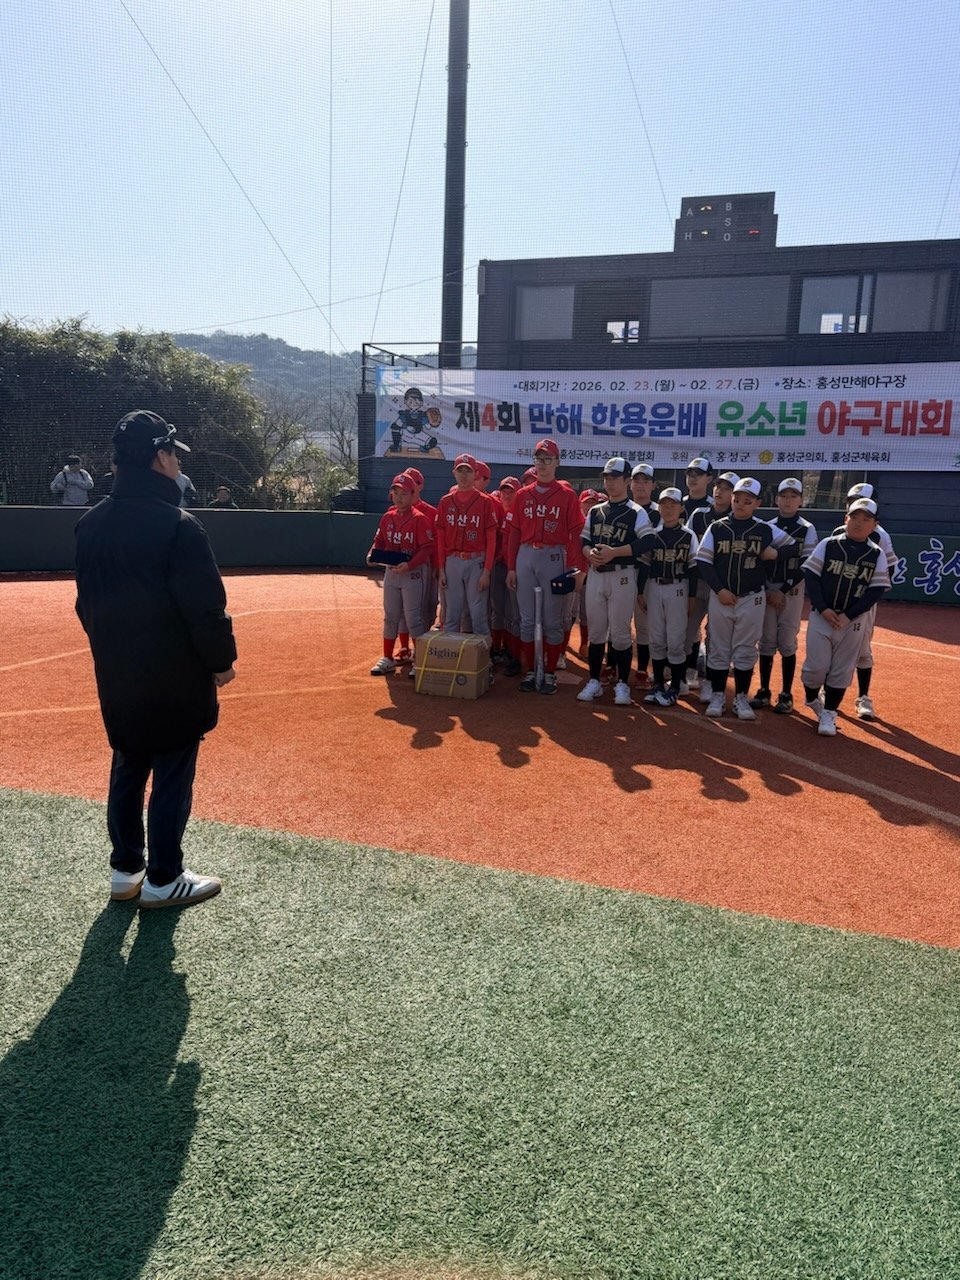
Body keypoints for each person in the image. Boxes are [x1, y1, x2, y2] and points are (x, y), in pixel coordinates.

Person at [74, 409, 236, 909]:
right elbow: (205, 609)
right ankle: (165, 877)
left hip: (117, 670)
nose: (177, 464)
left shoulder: (89, 524)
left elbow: (85, 605)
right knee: (172, 768)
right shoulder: (179, 526)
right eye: (173, 454)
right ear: (161, 456)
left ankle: (125, 871)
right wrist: (221, 662)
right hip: (174, 675)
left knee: (128, 762)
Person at [695, 477, 789, 720]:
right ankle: (717, 696)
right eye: (737, 499)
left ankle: (740, 698)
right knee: (718, 647)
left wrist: (774, 553)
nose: (740, 504)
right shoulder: (717, 527)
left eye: (747, 501)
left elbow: (792, 548)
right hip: (722, 596)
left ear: (757, 503)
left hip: (752, 597)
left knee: (746, 649)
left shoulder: (764, 529)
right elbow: (703, 561)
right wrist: (719, 590)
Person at [801, 498, 892, 736]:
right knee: (815, 669)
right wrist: (823, 608)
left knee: (841, 670)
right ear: (845, 519)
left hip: (853, 622)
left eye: (866, 519)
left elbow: (876, 590)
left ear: (875, 525)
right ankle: (812, 698)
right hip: (822, 616)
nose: (859, 523)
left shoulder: (876, 553)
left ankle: (829, 712)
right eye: (854, 517)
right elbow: (811, 576)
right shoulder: (829, 545)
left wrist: (849, 615)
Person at [504, 439, 585, 695]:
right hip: (526, 555)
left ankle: (549, 672)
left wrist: (575, 566)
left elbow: (577, 532)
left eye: (547, 458)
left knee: (552, 619)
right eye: (539, 458)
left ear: (557, 462)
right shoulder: (522, 495)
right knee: (527, 619)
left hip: (553, 556)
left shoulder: (567, 495)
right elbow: (514, 532)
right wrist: (511, 567)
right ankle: (531, 670)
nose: (542, 463)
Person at [576, 458, 653, 707]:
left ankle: (622, 683)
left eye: (615, 477)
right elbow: (584, 541)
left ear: (627, 480)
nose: (610, 482)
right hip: (597, 574)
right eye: (607, 477)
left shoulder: (636, 511)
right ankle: (594, 680)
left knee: (620, 633)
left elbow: (647, 542)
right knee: (597, 631)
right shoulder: (596, 511)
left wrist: (615, 552)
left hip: (623, 575)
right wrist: (589, 554)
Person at [750, 478, 819, 714]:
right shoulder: (767, 526)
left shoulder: (807, 528)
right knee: (766, 640)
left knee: (787, 641)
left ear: (800, 500)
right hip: (768, 588)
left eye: (793, 496)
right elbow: (759, 561)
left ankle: (786, 694)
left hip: (792, 589)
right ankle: (764, 691)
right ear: (777, 499)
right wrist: (769, 589)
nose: (788, 500)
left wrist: (782, 590)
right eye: (784, 496)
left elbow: (807, 564)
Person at [835, 482, 898, 720]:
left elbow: (888, 570)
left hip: (863, 603)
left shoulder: (880, 536)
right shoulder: (839, 530)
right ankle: (826, 691)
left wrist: (866, 598)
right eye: (851, 501)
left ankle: (863, 697)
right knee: (833, 645)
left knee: (862, 650)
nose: (855, 504)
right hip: (837, 599)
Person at [366, 473, 435, 676]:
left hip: (413, 573)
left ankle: (419, 660)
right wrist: (372, 554)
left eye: (404, 493)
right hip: (392, 572)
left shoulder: (420, 519)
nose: (399, 497)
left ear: (413, 495)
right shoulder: (388, 517)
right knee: (390, 616)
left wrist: (410, 564)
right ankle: (388, 658)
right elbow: (379, 542)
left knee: (413, 617)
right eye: (396, 493)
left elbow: (427, 548)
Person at [638, 488, 699, 707]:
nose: (668, 508)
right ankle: (658, 685)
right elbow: (644, 565)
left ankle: (676, 686)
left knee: (675, 640)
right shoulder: (652, 535)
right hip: (654, 587)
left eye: (673, 504)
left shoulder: (688, 535)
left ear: (681, 508)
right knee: (656, 638)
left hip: (678, 588)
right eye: (664, 504)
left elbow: (693, 569)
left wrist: (692, 597)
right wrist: (640, 591)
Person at [435, 454, 497, 640]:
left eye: (468, 471)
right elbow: (440, 538)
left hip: (476, 561)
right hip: (452, 561)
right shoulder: (445, 501)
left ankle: (483, 656)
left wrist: (487, 571)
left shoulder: (485, 501)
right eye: (460, 470)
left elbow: (491, 538)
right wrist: (441, 568)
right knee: (452, 614)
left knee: (478, 614)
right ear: (454, 473)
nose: (464, 475)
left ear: (475, 474)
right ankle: (450, 654)